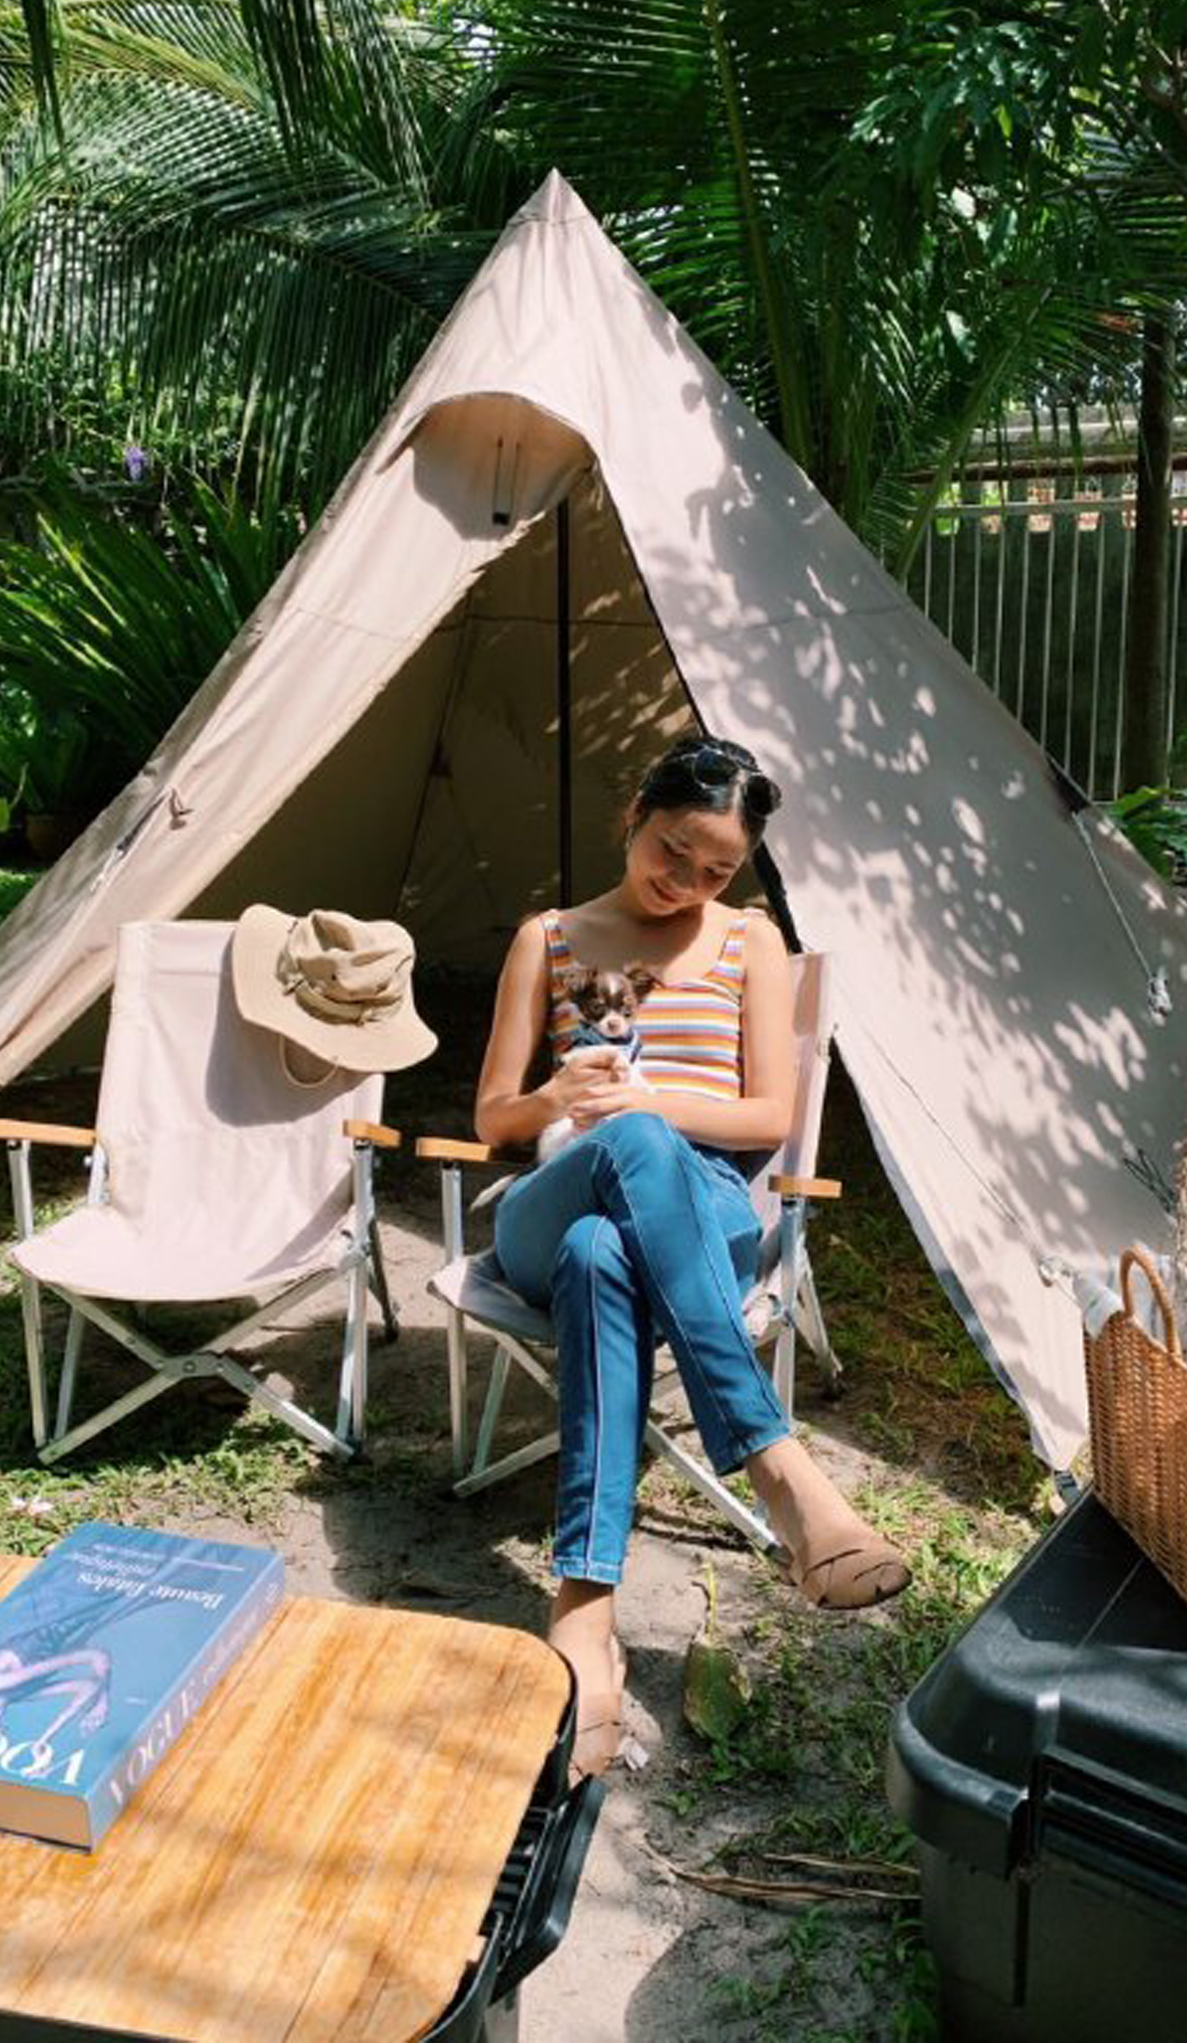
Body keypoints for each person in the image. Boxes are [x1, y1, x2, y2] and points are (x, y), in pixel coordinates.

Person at [475, 733, 910, 1778]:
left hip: (704, 1204)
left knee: (600, 1255)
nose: (686, 882)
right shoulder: (550, 937)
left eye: (715, 870)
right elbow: (493, 1117)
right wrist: (558, 1097)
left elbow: (769, 1115)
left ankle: (583, 1614)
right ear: (635, 813)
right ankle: (775, 1463)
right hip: (560, 1184)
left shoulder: (748, 941)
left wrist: (650, 1103)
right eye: (672, 851)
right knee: (607, 1179)